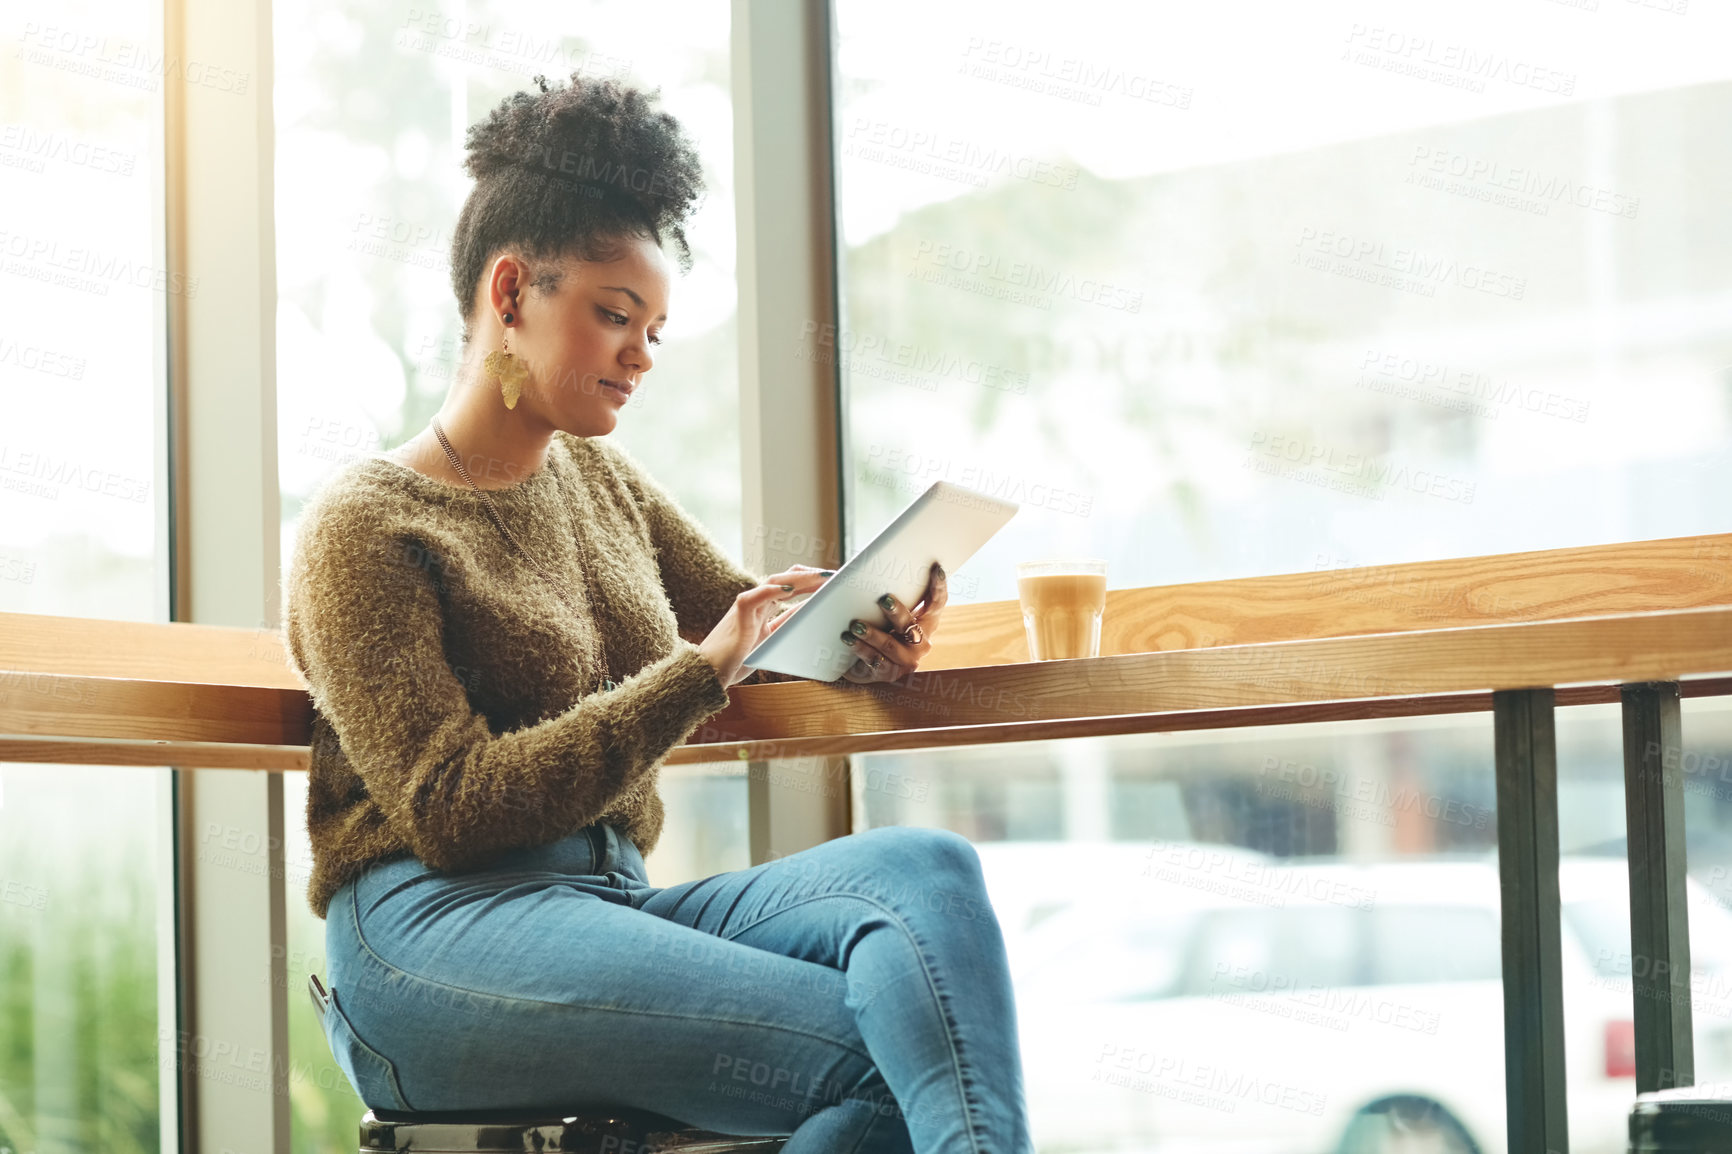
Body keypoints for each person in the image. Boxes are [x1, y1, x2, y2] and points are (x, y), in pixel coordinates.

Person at [281, 71, 1034, 1154]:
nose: (639, 355)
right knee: (890, 1056)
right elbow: (448, 805)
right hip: (434, 938)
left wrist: (857, 633)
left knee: (924, 872)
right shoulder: (367, 526)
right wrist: (702, 667)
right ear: (508, 295)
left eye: (656, 330)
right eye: (614, 315)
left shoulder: (601, 483)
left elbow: (752, 625)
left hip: (610, 904)